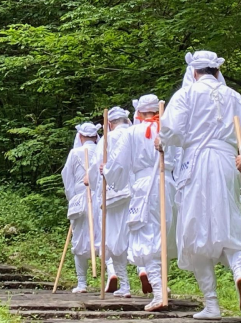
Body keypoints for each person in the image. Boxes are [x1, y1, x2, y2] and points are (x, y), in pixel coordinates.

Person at [158, 51, 241, 319]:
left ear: (193, 71)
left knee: (194, 229)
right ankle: (239, 271)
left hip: (197, 163)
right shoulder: (234, 96)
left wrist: (163, 141)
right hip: (226, 162)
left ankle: (212, 303)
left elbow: (172, 130)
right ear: (216, 71)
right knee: (228, 219)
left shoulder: (186, 94)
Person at [103, 95, 178, 309]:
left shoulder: (132, 133)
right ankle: (161, 283)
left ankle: (159, 291)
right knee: (162, 234)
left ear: (138, 113)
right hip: (169, 184)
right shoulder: (170, 129)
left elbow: (118, 162)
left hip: (146, 185)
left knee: (146, 236)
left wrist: (108, 172)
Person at [61, 122, 103, 293]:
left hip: (81, 197)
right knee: (103, 234)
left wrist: (73, 198)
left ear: (80, 136)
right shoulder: (101, 152)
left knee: (79, 238)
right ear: (95, 137)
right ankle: (113, 278)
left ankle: (82, 283)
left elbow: (67, 178)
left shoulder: (74, 153)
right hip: (100, 197)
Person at [95, 106, 133, 296]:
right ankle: (153, 278)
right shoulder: (138, 133)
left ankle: (125, 285)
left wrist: (105, 173)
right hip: (139, 190)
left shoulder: (107, 139)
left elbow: (99, 168)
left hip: (113, 194)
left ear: (109, 124)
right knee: (140, 236)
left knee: (115, 238)